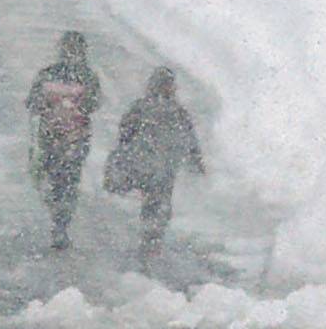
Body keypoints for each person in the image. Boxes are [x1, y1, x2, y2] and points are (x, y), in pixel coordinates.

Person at [104, 66, 204, 262]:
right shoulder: (178, 112)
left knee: (151, 200)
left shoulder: (140, 108)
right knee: (158, 203)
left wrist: (122, 159)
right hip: (164, 168)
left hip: (143, 164)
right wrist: (195, 161)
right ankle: (152, 240)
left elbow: (125, 134)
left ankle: (149, 238)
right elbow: (190, 139)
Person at [23, 30, 103, 250]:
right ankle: (61, 222)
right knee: (69, 181)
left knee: (52, 178)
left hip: (50, 137)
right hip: (76, 140)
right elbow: (94, 105)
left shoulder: (47, 74)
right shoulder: (88, 77)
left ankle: (57, 213)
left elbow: (32, 103)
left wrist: (50, 106)